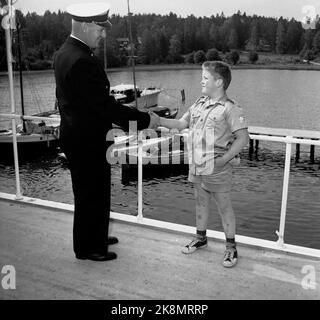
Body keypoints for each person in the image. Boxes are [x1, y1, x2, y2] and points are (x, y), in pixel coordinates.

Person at [54, 2, 159, 262]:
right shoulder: (81, 60)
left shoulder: (65, 53)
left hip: (79, 136)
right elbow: (105, 107)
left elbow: (87, 103)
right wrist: (146, 119)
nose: (103, 35)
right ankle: (89, 248)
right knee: (91, 193)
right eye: (101, 29)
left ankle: (96, 235)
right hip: (87, 141)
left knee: (94, 191)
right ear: (87, 25)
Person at [158, 61, 249, 267]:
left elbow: (243, 139)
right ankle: (201, 238)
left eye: (205, 77)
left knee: (224, 207)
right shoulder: (199, 103)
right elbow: (182, 123)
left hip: (217, 168)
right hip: (197, 164)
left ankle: (231, 248)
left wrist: (224, 160)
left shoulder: (230, 109)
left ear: (218, 82)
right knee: (200, 202)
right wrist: (158, 121)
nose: (201, 80)